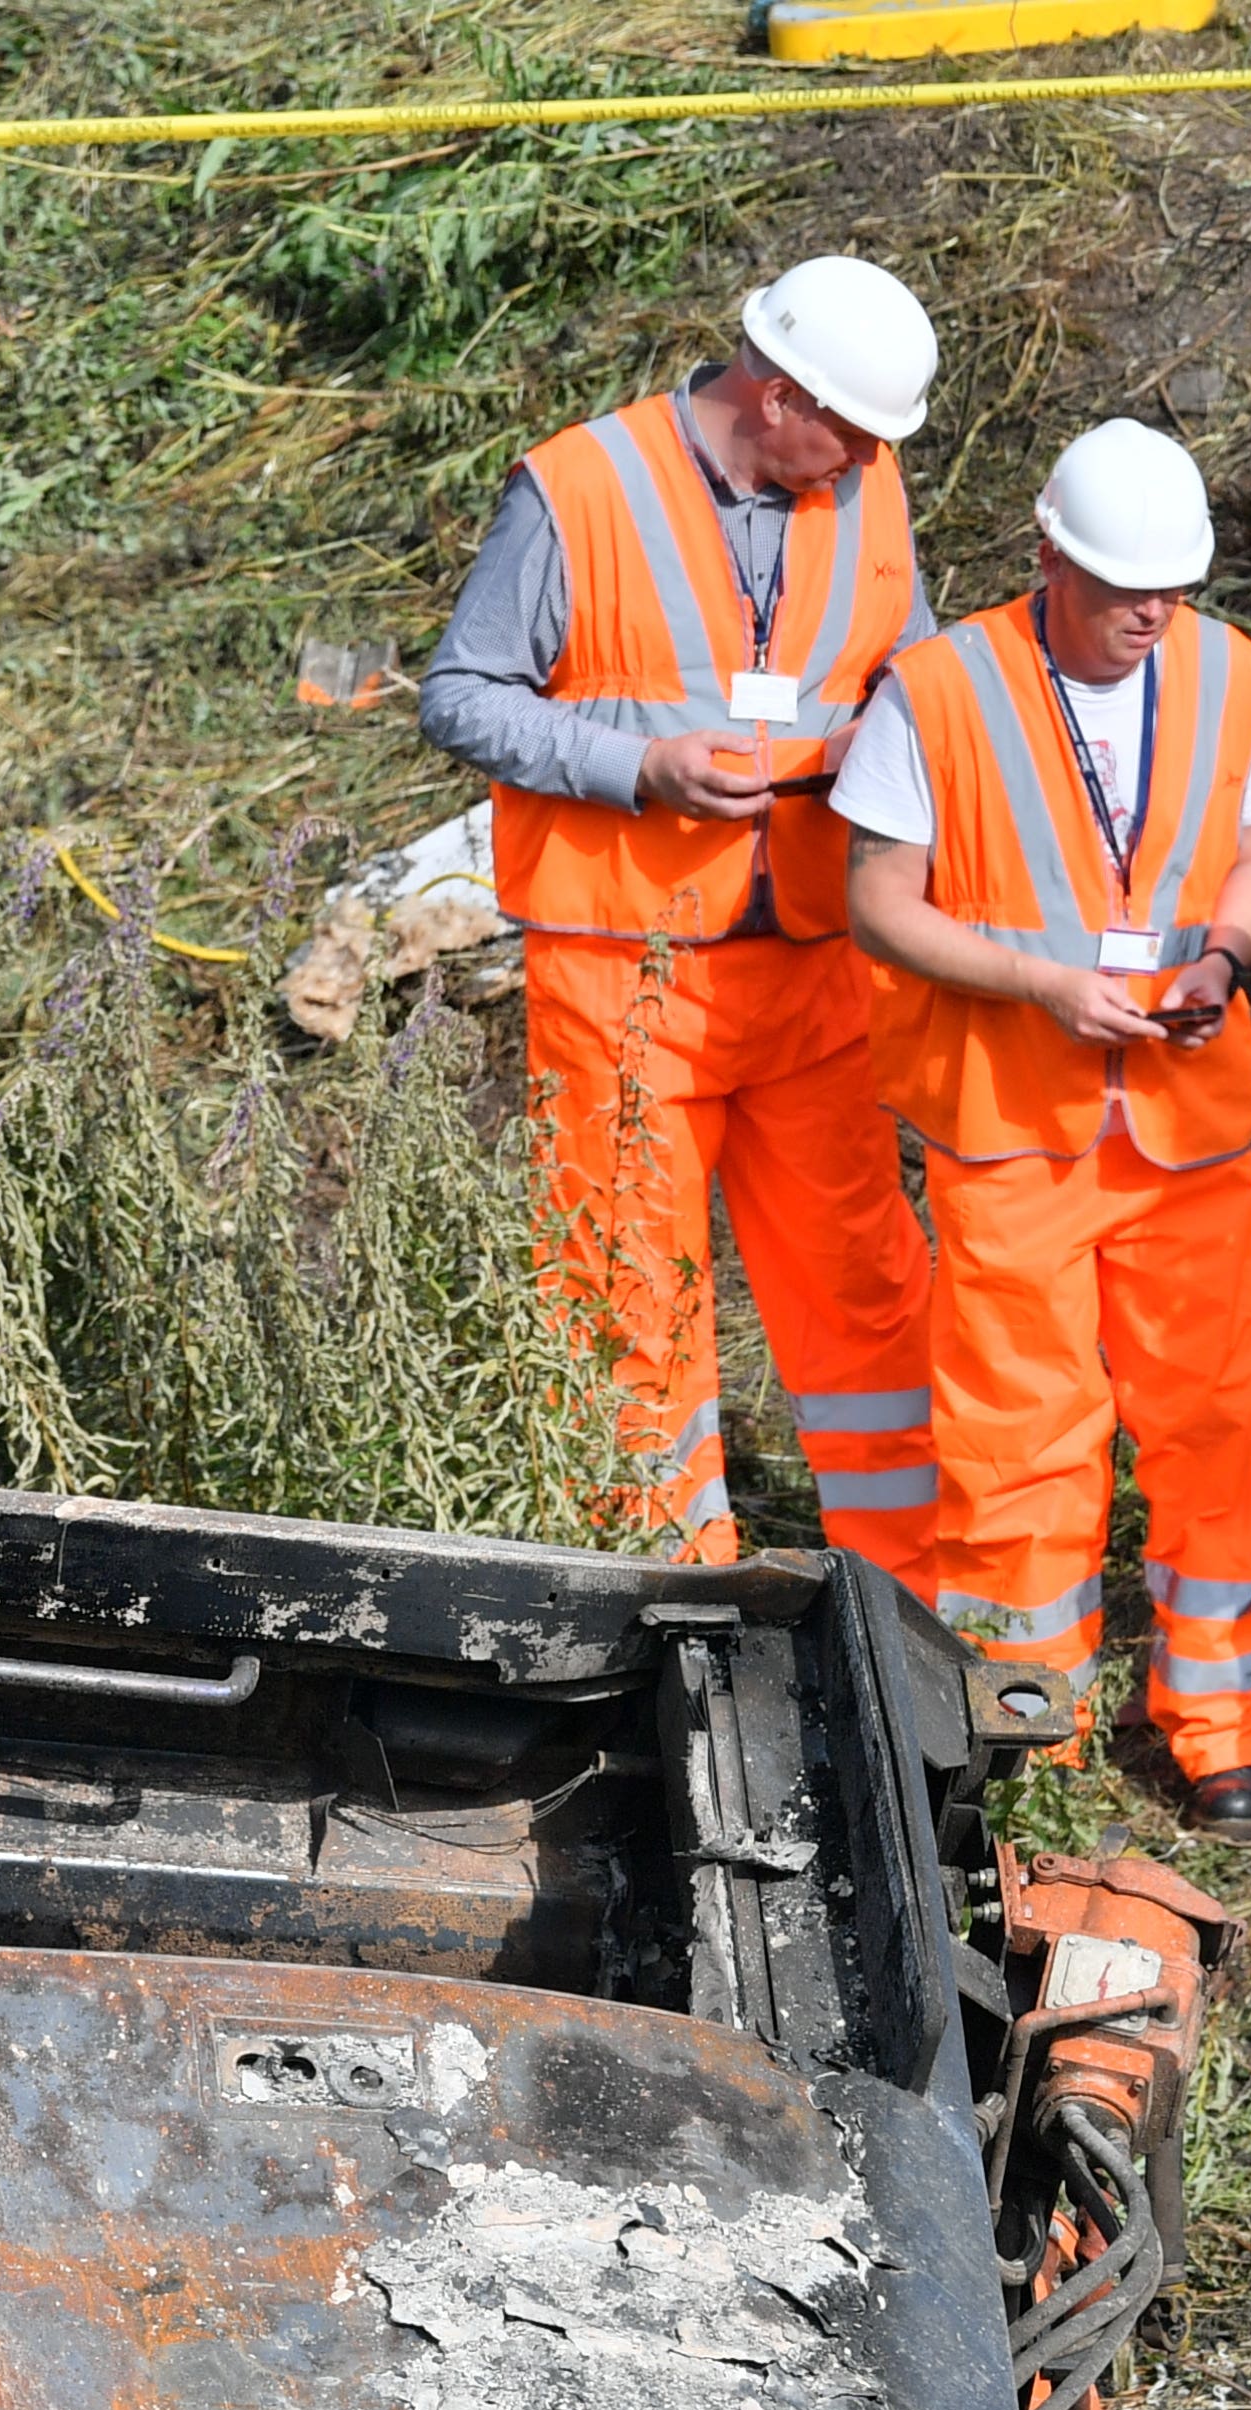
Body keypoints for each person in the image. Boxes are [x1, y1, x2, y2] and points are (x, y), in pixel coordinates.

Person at [420, 256, 945, 1589]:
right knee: (623, 1302)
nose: (866, 462)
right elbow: (463, 694)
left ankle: (908, 1601)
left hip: (812, 975)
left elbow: (914, 674)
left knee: (868, 1289)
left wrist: (891, 751)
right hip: (623, 981)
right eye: (850, 434)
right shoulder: (578, 488)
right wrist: (639, 768)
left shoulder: (867, 482)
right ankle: (660, 1600)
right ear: (777, 396)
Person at [832, 419, 1251, 1822]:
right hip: (1009, 1126)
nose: (1151, 615)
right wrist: (1042, 984)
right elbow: (879, 903)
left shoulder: (1229, 673)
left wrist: (1223, 962)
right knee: (1018, 1439)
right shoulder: (939, 690)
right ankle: (1030, 1739)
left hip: (1182, 1124)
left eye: (1172, 590)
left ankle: (1227, 1727)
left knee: (1218, 1423)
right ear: (1048, 557)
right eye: (1121, 589)